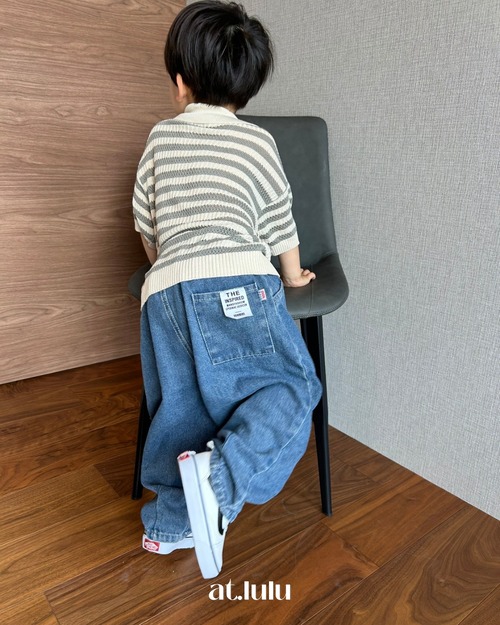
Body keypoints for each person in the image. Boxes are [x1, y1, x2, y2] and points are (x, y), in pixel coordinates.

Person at [132, 0, 322, 579]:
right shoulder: (257, 143)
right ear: (247, 88)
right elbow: (280, 222)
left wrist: (166, 272)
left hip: (164, 289)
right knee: (292, 387)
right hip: (238, 276)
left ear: (180, 83)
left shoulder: (160, 139)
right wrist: (293, 276)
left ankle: (169, 527)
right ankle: (218, 481)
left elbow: (147, 225)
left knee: (180, 409)